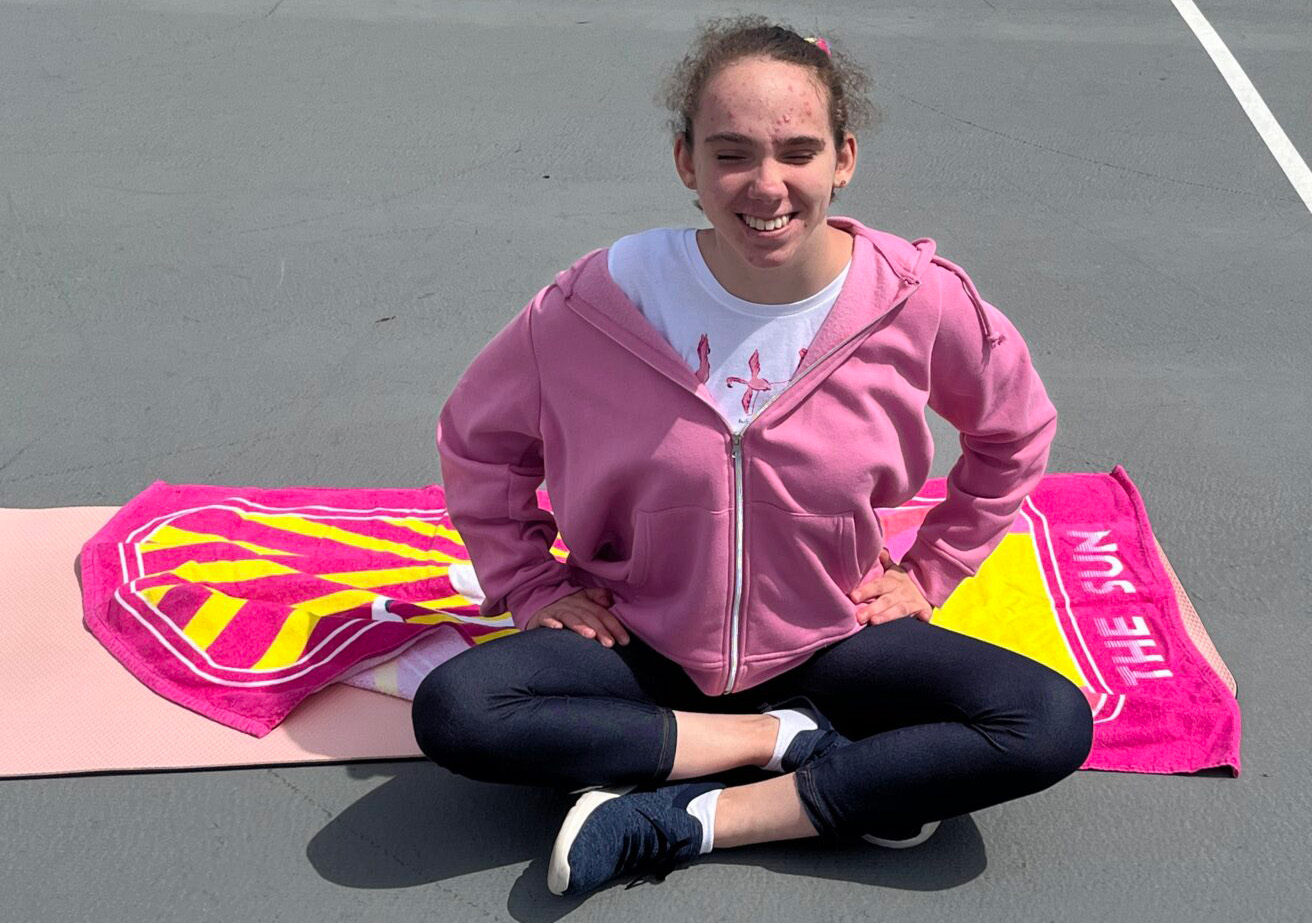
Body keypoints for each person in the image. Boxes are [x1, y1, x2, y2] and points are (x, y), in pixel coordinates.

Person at [413, 15, 1093, 898]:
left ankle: (688, 817)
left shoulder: (917, 302)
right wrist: (533, 585)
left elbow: (1015, 430)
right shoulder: (594, 304)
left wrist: (932, 569)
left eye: (798, 151)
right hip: (640, 638)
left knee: (1045, 722)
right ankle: (784, 743)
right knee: (458, 710)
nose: (766, 184)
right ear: (685, 162)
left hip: (829, 637)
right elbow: (479, 440)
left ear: (843, 159)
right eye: (730, 153)